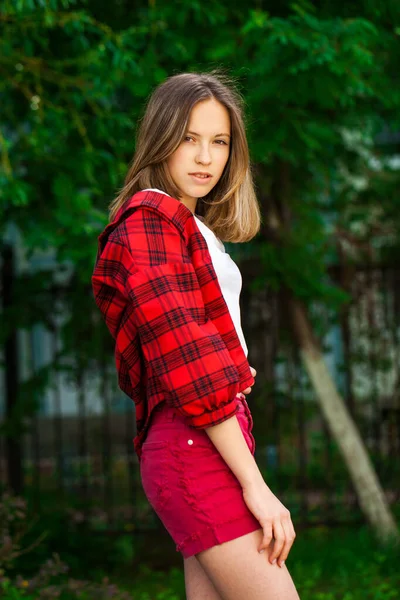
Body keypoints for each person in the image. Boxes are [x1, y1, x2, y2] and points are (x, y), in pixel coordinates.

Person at [92, 71, 299, 600]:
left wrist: (234, 368)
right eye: (189, 138)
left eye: (219, 141)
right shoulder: (149, 223)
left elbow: (193, 346)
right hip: (194, 444)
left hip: (206, 437)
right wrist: (257, 486)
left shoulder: (187, 226)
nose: (206, 157)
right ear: (161, 137)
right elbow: (189, 363)